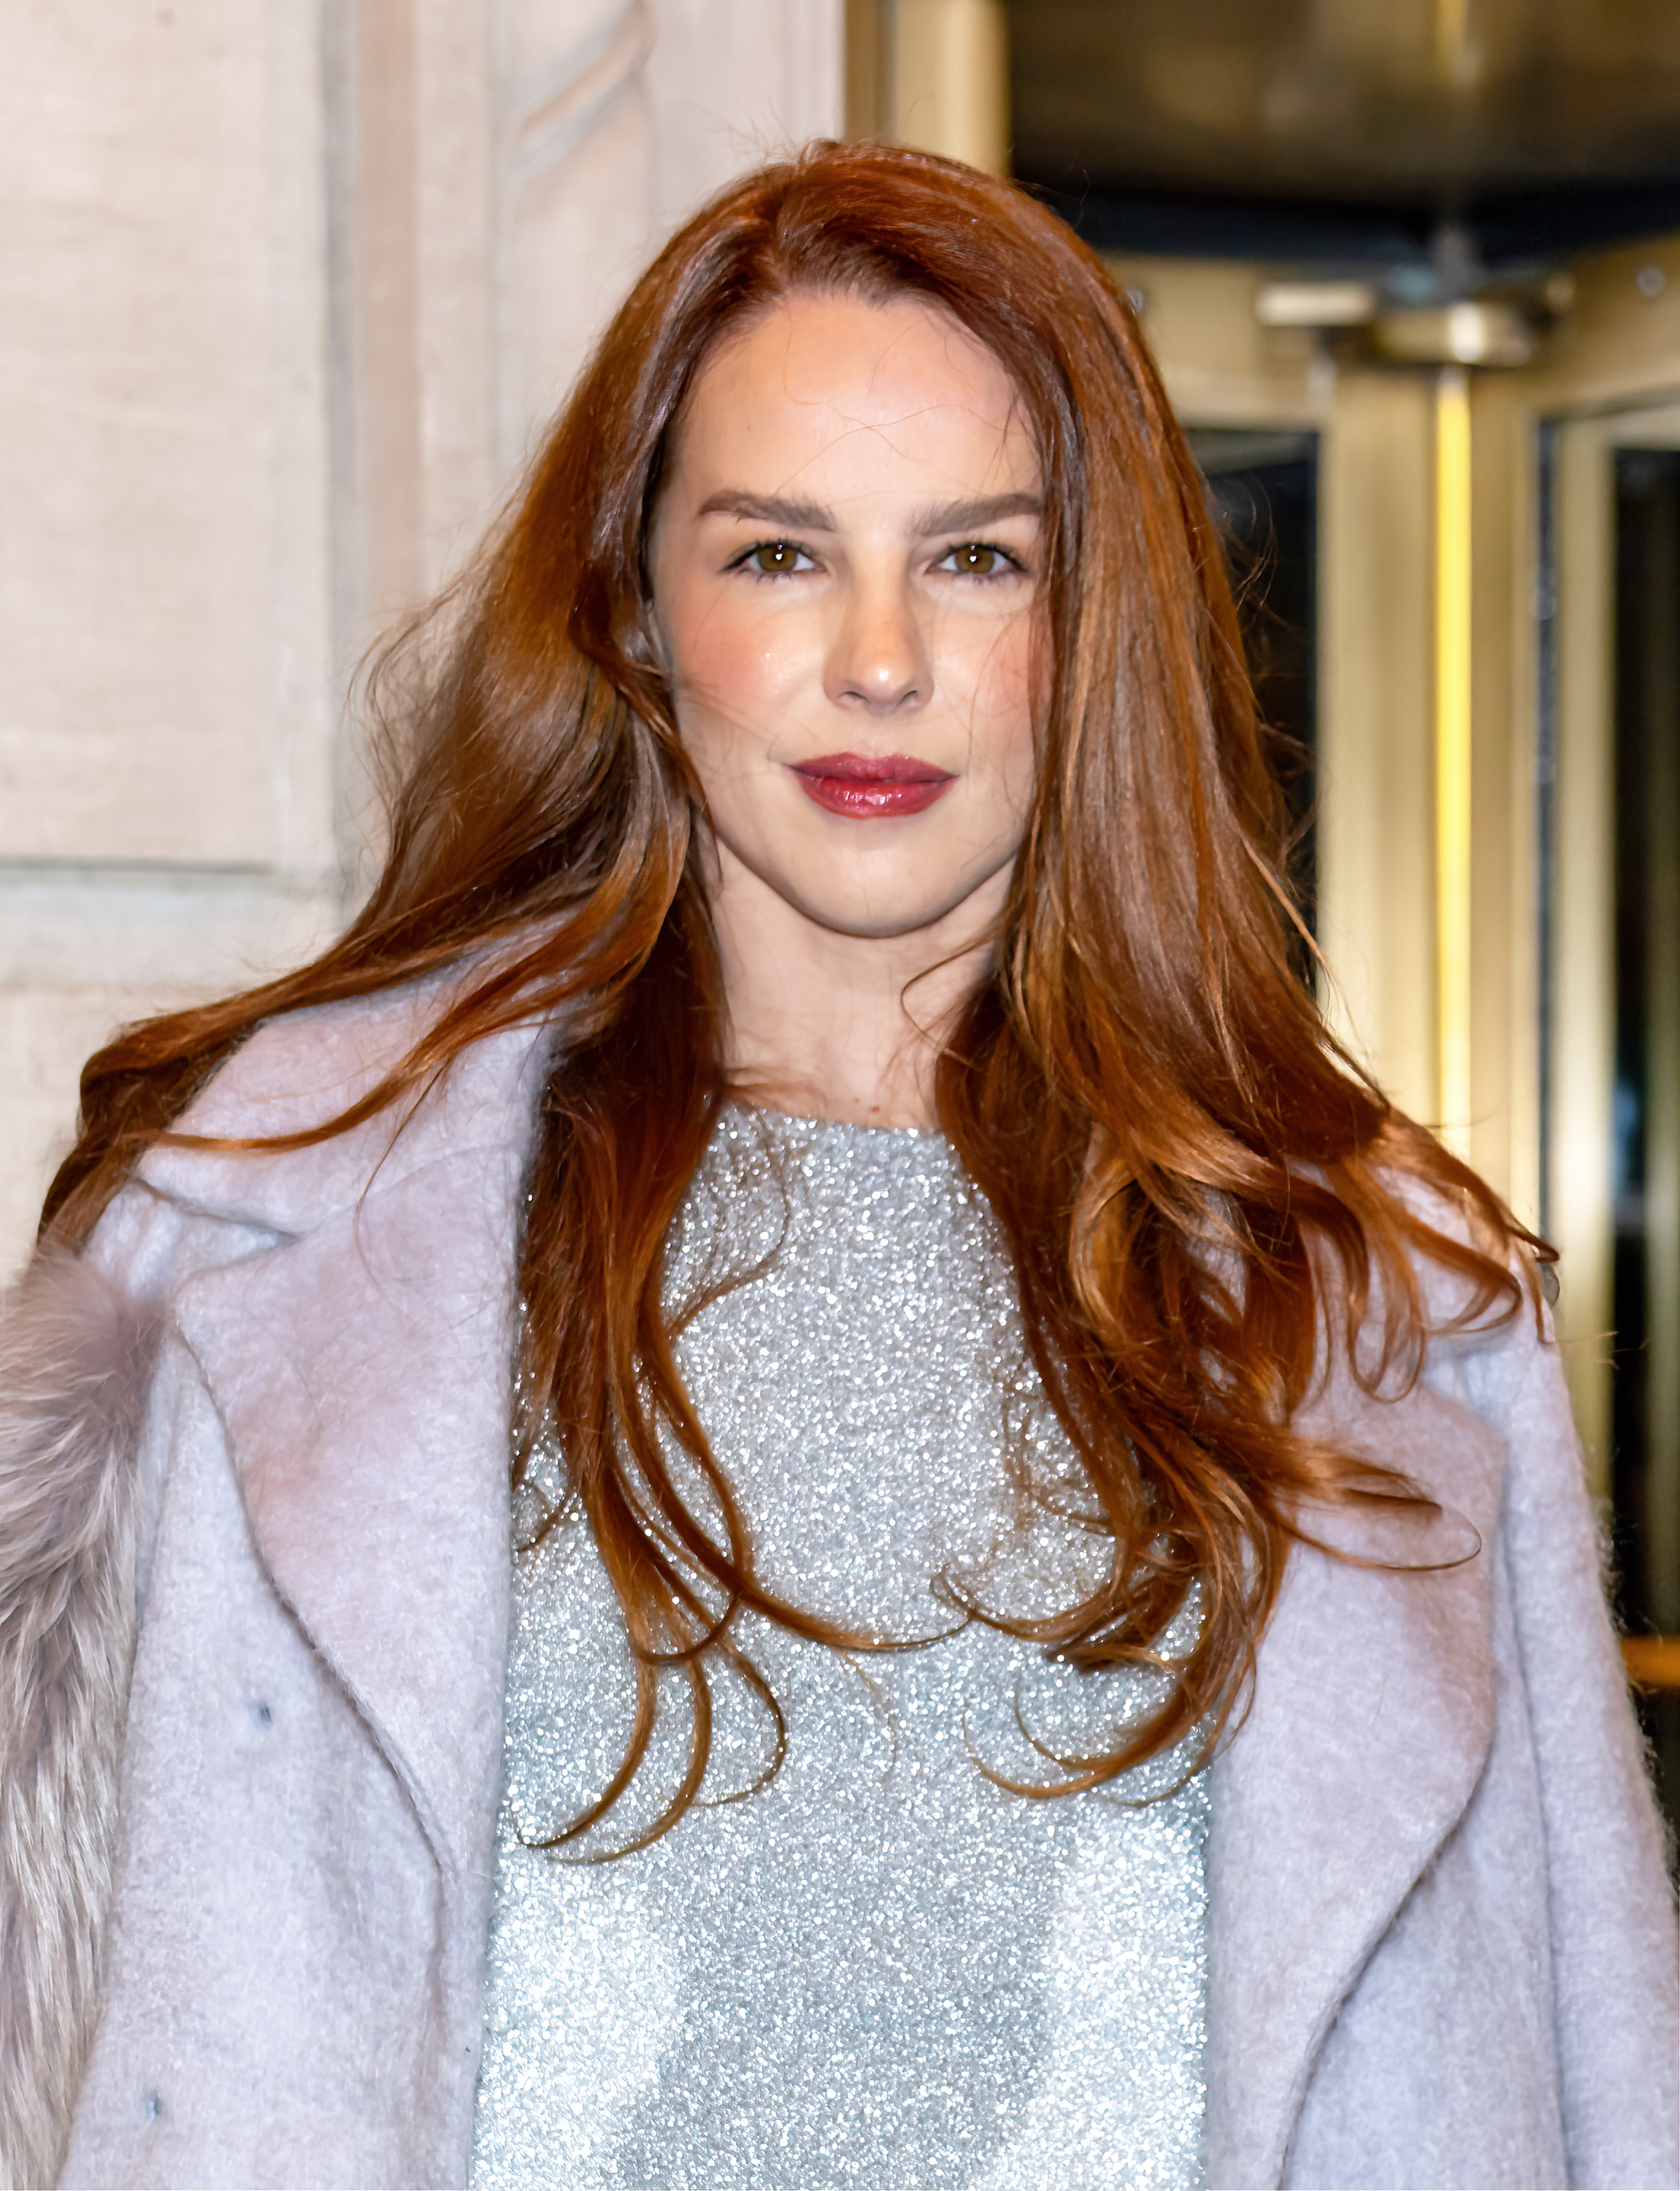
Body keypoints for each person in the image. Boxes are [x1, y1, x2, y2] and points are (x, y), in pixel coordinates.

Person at [0, 139, 1673, 2191]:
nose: (879, 659)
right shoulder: (276, 1225)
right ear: (635, 610)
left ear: (1094, 621)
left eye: (979, 559)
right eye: (778, 554)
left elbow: (1616, 2092)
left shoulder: (1386, 1305)